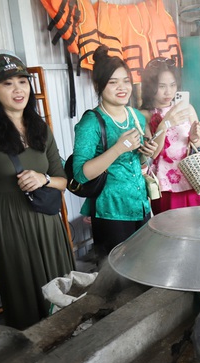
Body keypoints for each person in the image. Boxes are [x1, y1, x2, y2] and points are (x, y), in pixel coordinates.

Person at [0, 54, 74, 330]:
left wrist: (43, 178)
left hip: (48, 225)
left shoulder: (40, 128)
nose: (18, 90)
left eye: (22, 81)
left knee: (60, 290)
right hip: (11, 227)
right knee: (26, 297)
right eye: (7, 84)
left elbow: (62, 180)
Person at [72, 46, 157, 258]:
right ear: (98, 85)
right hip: (111, 212)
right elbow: (81, 173)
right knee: (118, 277)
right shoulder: (91, 122)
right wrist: (118, 148)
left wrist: (147, 151)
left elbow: (140, 161)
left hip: (140, 206)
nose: (122, 88)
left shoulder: (136, 115)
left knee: (144, 266)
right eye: (113, 82)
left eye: (126, 81)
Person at [140, 57, 200, 214]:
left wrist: (195, 138)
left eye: (173, 85)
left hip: (195, 181)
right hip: (166, 186)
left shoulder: (187, 108)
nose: (169, 92)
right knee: (172, 232)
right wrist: (165, 124)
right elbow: (151, 154)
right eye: (162, 86)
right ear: (151, 86)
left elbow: (199, 148)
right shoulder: (143, 115)